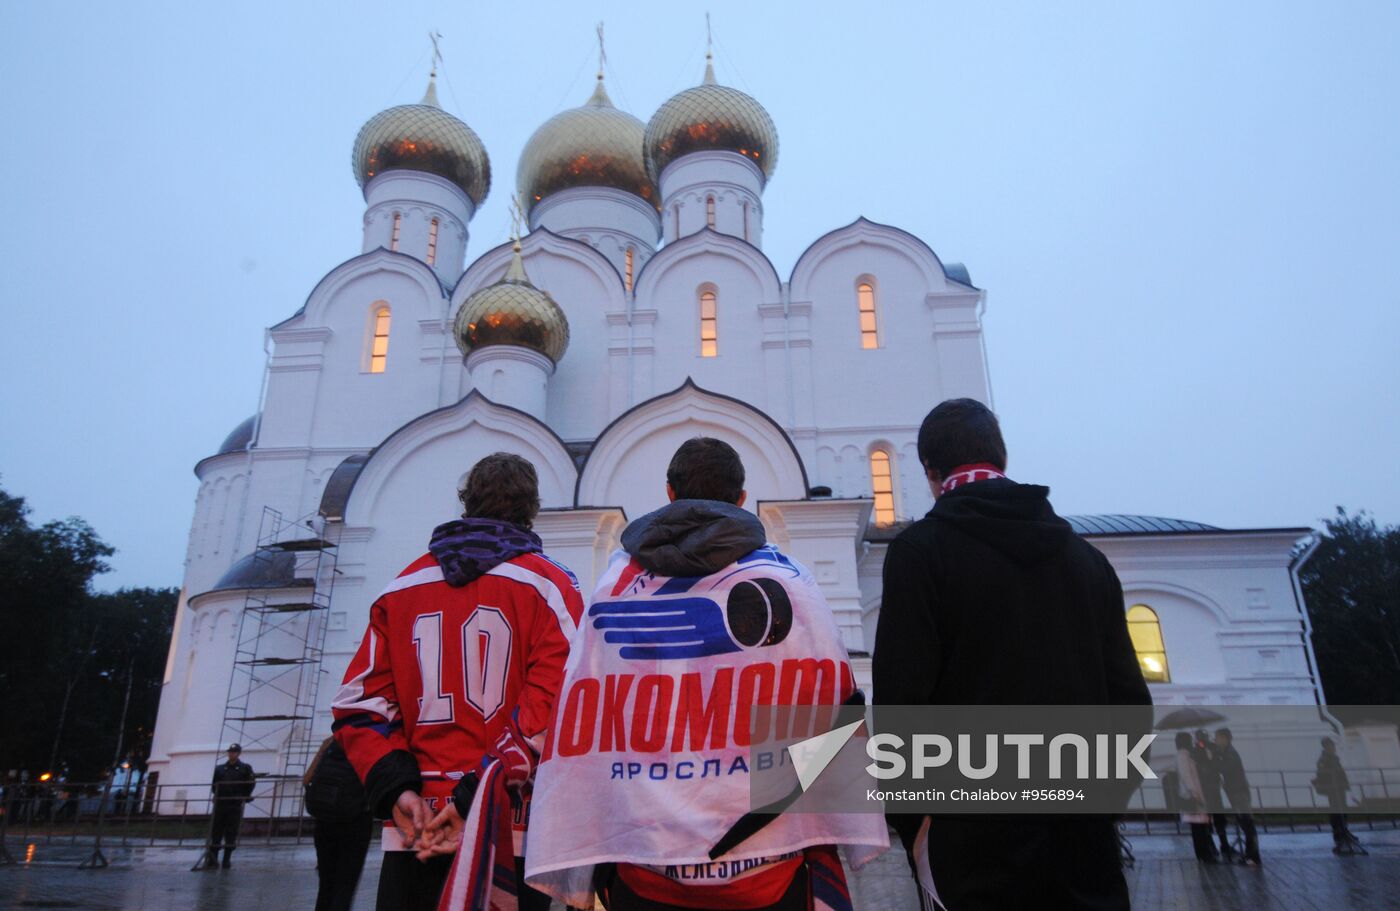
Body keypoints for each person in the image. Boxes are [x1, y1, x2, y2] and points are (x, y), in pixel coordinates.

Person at [523, 437, 887, 910]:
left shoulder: (616, 587)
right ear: (741, 498)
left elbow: (583, 707)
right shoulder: (791, 583)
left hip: (646, 858)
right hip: (767, 859)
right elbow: (832, 703)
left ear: (670, 493)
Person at [873, 398, 1153, 910]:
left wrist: (919, 826)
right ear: (1000, 458)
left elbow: (900, 706)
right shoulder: (1087, 562)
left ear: (931, 472)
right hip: (1082, 850)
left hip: (973, 853)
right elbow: (1132, 707)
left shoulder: (920, 554)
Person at [332, 452, 584, 911]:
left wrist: (396, 787)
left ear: (466, 503)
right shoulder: (552, 586)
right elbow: (560, 700)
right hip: (509, 827)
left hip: (417, 824)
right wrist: (475, 794)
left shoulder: (401, 586)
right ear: (531, 509)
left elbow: (359, 702)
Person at [304, 736, 374, 911]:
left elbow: (307, 780)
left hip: (324, 821)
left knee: (326, 886)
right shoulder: (370, 741)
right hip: (355, 822)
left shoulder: (330, 743)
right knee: (345, 887)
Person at [1212, 728, 1260, 865]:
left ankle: (1253, 856)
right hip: (1236, 792)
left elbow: (1224, 768)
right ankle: (1250, 854)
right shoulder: (1227, 753)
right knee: (1245, 823)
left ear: (1225, 738)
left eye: (1217, 737)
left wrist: (1213, 758)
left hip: (1239, 792)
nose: (1216, 740)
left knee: (1247, 823)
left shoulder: (1231, 754)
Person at [206, 743, 255, 869]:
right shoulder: (220, 769)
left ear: (239, 753)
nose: (231, 754)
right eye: (230, 752)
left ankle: (226, 859)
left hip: (234, 804)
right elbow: (214, 784)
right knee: (216, 831)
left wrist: (244, 795)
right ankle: (213, 859)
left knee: (231, 832)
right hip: (221, 804)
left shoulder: (244, 768)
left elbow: (250, 783)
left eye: (234, 752)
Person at [1174, 732, 1216, 863]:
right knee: (1198, 827)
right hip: (1192, 796)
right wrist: (1194, 793)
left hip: (1193, 794)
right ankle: (1204, 853)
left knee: (1199, 826)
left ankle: (1204, 853)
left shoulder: (1187, 755)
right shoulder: (1183, 756)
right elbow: (1187, 777)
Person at [1314, 737, 1355, 853]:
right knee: (1336, 811)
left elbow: (1340, 772)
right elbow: (1323, 774)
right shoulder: (1323, 760)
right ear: (1325, 747)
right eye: (1330, 746)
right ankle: (1338, 834)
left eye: (1333, 745)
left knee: (1343, 810)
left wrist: (1344, 784)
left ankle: (1345, 831)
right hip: (1332, 789)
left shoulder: (1334, 758)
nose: (1333, 748)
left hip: (1339, 787)